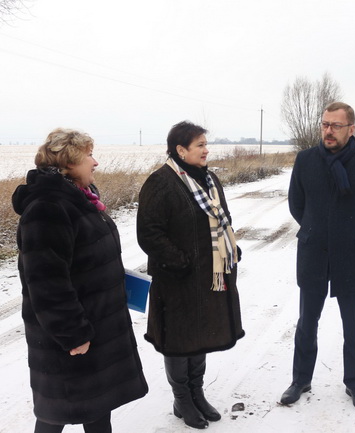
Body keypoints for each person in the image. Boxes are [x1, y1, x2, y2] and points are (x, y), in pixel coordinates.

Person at [12, 128, 149, 433]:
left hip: (94, 325)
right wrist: (73, 334)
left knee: (97, 407)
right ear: (69, 162)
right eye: (89, 155)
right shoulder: (48, 208)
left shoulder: (80, 198)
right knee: (55, 412)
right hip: (71, 335)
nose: (95, 162)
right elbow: (46, 281)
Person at [280, 102, 355, 412]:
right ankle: (300, 380)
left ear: (351, 129)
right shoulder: (306, 160)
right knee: (306, 323)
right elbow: (297, 204)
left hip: (353, 254)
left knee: (354, 325)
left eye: (336, 126)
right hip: (313, 252)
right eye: (325, 124)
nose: (328, 131)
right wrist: (316, 230)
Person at [137, 121, 244, 429]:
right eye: (200, 145)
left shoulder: (209, 179)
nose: (206, 150)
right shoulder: (161, 182)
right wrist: (180, 262)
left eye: (205, 144)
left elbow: (223, 218)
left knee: (201, 335)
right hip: (177, 280)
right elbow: (149, 233)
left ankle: (197, 392)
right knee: (179, 339)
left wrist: (230, 248)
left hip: (209, 276)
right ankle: (181, 398)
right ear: (181, 150)